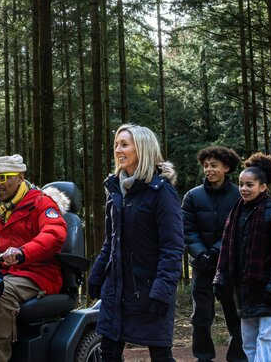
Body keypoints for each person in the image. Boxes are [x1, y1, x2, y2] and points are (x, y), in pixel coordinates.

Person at [87, 124, 184, 362]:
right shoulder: (115, 189)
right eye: (116, 145)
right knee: (108, 352)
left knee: (160, 355)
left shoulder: (161, 192)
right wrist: (97, 275)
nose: (118, 150)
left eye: (124, 144)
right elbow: (111, 241)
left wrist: (162, 290)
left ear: (142, 148)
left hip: (149, 289)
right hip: (116, 289)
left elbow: (172, 248)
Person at [0, 154, 67, 362]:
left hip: (36, 273)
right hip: (1, 273)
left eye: (3, 177)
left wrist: (23, 252)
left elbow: (54, 234)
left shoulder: (41, 203)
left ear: (20, 177)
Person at [213, 153, 271, 362]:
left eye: (250, 185)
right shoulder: (237, 213)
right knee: (248, 342)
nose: (244, 189)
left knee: (267, 340)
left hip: (269, 292)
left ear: (263, 187)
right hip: (244, 291)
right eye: (241, 184)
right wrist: (221, 279)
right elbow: (228, 250)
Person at [183, 146, 247, 362]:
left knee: (235, 315)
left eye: (214, 165)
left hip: (230, 265)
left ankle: (237, 358)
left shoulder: (239, 195)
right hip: (201, 266)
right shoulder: (192, 196)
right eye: (205, 166)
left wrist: (216, 251)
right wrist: (201, 254)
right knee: (200, 317)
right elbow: (187, 230)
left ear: (226, 168)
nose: (208, 170)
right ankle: (203, 357)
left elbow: (239, 228)